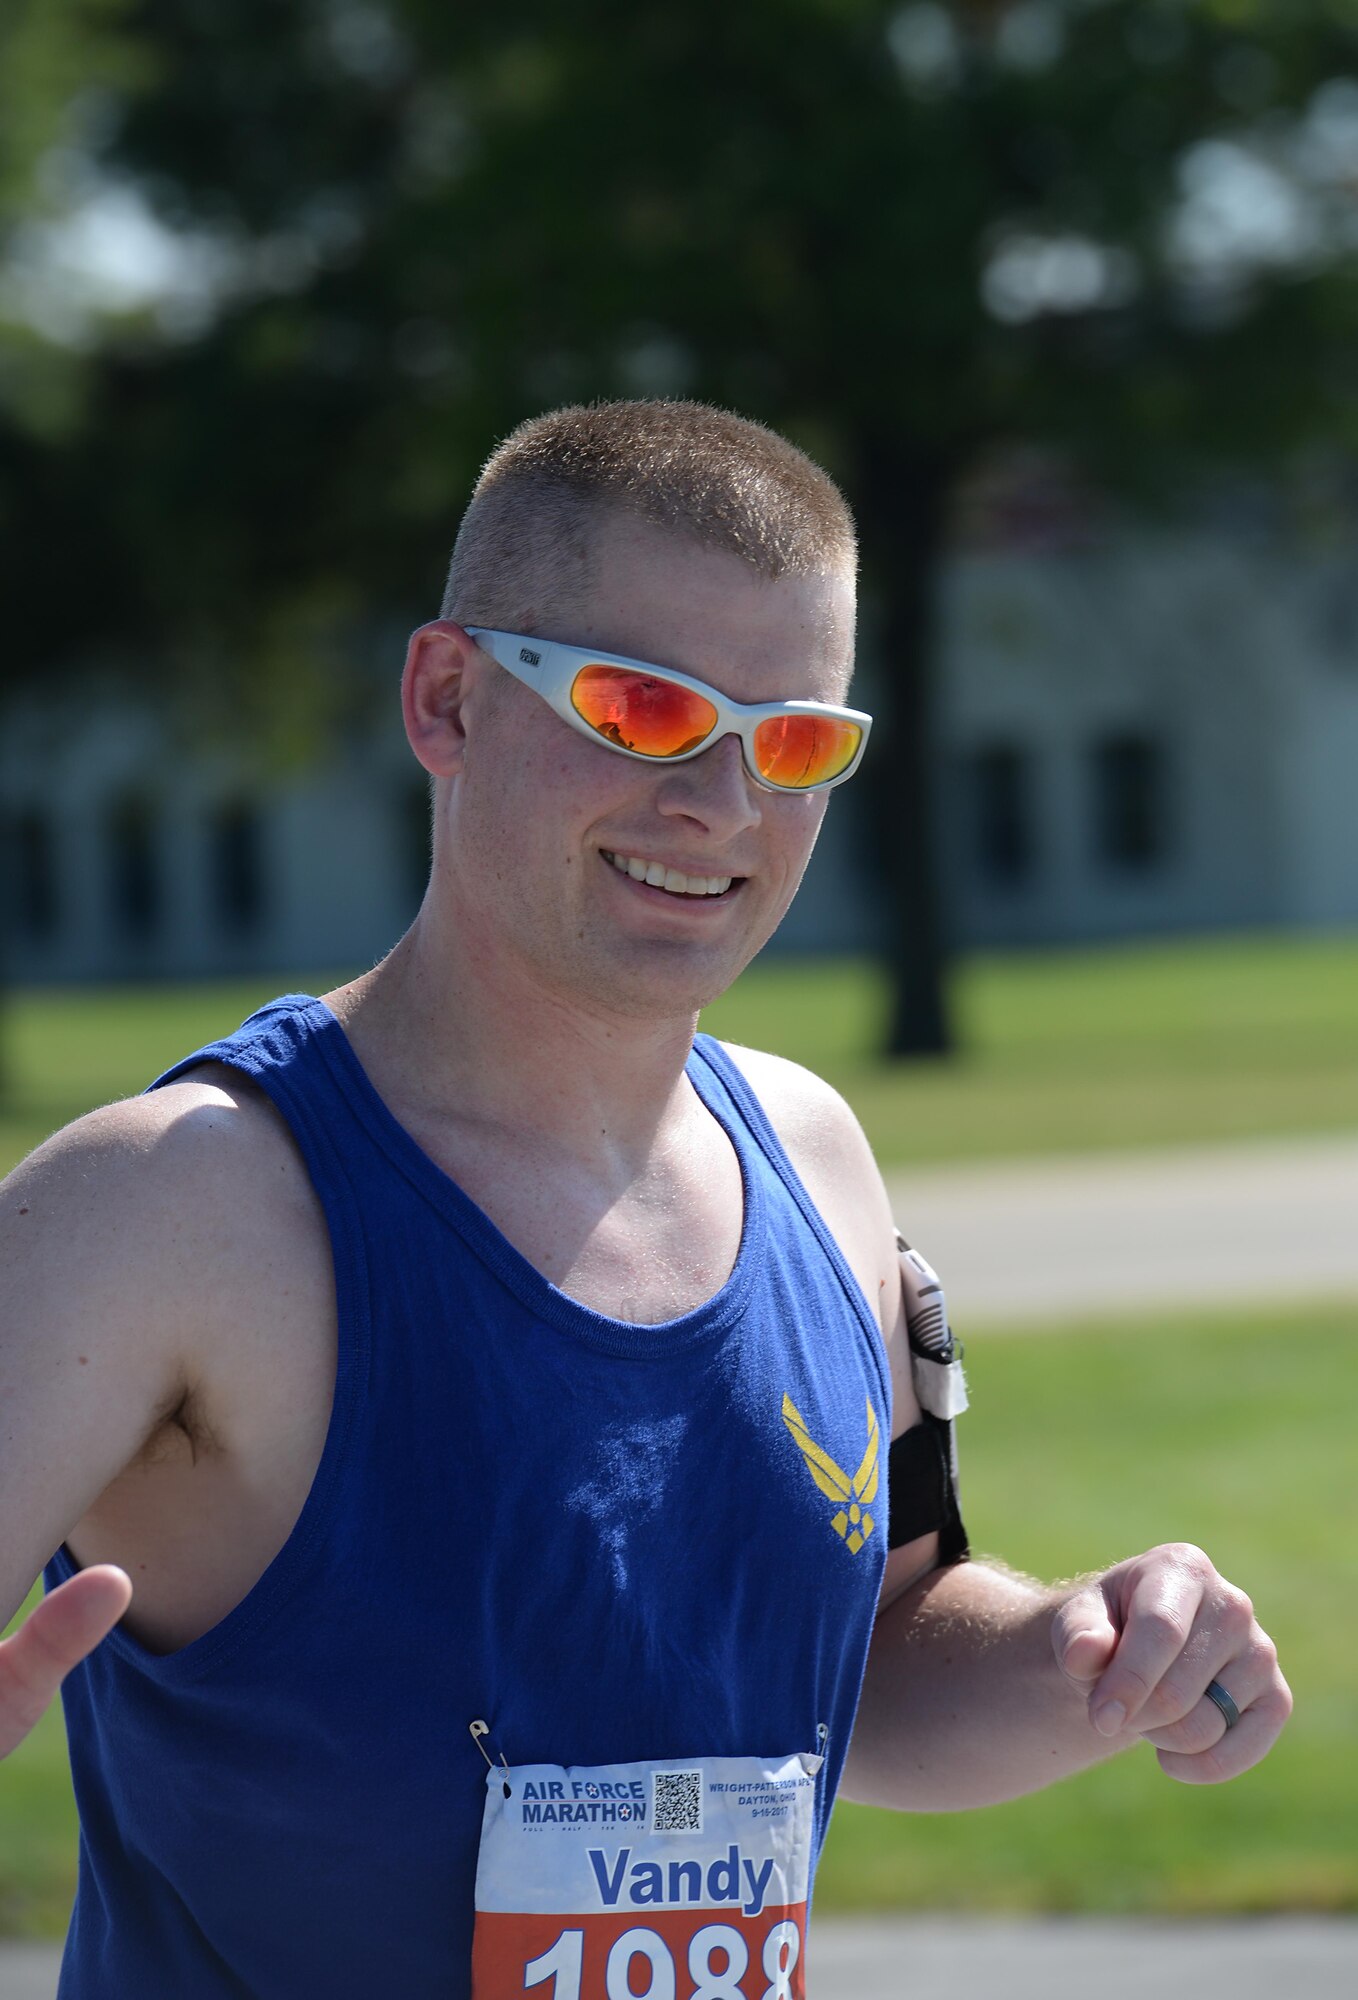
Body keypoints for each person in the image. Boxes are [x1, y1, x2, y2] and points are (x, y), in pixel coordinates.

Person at [1, 401, 1289, 1998]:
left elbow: (868, 1647)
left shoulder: (813, 1159)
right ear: (447, 698)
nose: (723, 805)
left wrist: (1085, 1656)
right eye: (642, 710)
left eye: (794, 739)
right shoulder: (166, 1206)